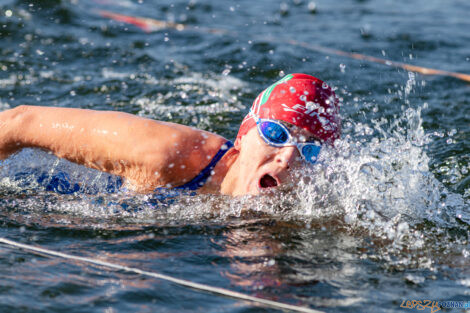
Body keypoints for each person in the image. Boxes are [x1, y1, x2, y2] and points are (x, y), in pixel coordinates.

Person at [0, 73, 340, 196]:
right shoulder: (166, 154)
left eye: (311, 147)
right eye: (277, 133)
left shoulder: (310, 199)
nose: (288, 156)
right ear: (244, 135)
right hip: (46, 184)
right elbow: (20, 122)